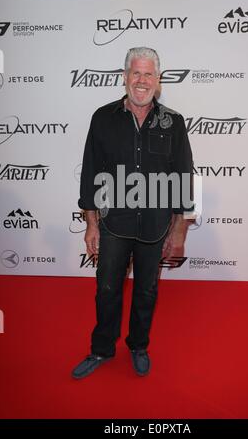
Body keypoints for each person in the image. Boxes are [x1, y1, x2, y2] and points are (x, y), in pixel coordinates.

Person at [72, 47, 193, 379]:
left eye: (148, 74)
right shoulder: (102, 117)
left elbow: (184, 177)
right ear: (125, 77)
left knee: (146, 292)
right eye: (136, 73)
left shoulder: (174, 122)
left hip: (155, 225)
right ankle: (102, 349)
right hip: (113, 223)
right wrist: (91, 225)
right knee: (107, 289)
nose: (142, 81)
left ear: (158, 80)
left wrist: (179, 232)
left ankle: (138, 345)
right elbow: (90, 173)